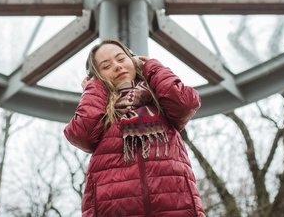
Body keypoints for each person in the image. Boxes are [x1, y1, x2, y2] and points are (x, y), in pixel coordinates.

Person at [64, 39, 206, 216]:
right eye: (106, 66)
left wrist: (153, 68)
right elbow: (81, 134)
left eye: (121, 59)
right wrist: (93, 89)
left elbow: (185, 103)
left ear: (134, 60)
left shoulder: (159, 104)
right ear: (98, 77)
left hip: (176, 207)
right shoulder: (103, 113)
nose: (117, 66)